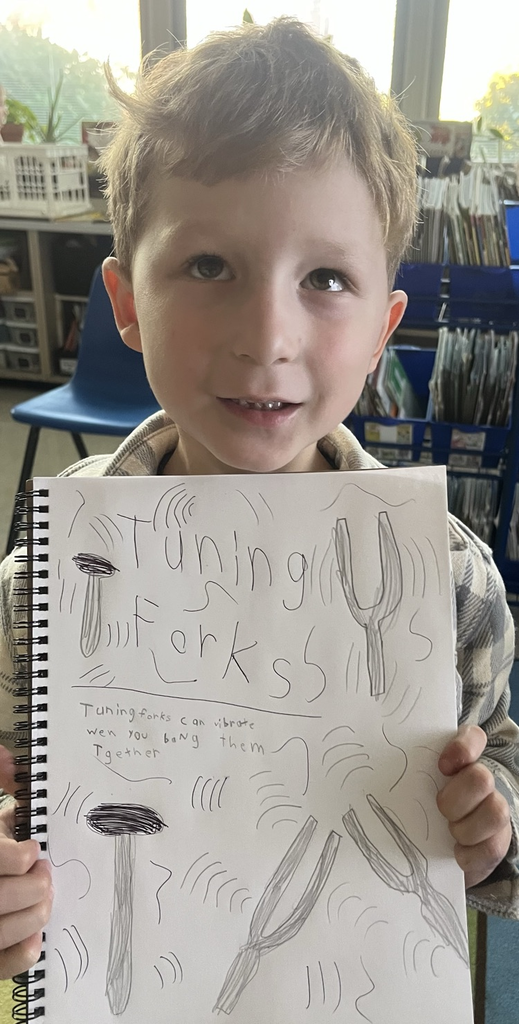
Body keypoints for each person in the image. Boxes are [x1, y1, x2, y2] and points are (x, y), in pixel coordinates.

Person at [0, 16, 518, 981]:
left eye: (325, 278)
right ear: (123, 303)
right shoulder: (46, 576)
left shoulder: (445, 579)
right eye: (208, 267)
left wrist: (494, 824)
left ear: (381, 330)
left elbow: (497, 758)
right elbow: (13, 769)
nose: (266, 334)